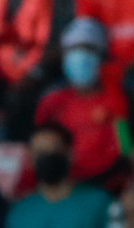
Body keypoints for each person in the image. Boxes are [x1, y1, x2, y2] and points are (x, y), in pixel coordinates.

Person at [34, 18, 128, 184]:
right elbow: (39, 149)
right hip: (61, 184)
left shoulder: (115, 100)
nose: (81, 57)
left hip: (106, 183)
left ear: (102, 56)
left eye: (88, 49)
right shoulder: (51, 102)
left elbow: (125, 148)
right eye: (73, 50)